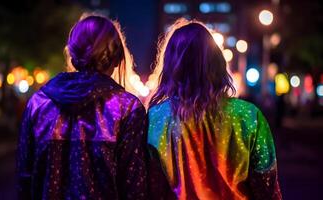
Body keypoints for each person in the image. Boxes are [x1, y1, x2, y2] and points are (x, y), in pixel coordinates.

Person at [147, 19, 282, 200]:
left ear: (171, 65)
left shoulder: (156, 118)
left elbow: (152, 189)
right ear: (218, 62)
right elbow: (267, 188)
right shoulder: (249, 116)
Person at [17, 15, 147, 200]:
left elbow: (24, 179)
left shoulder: (38, 103)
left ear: (73, 55)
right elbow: (135, 187)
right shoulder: (127, 108)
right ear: (117, 59)